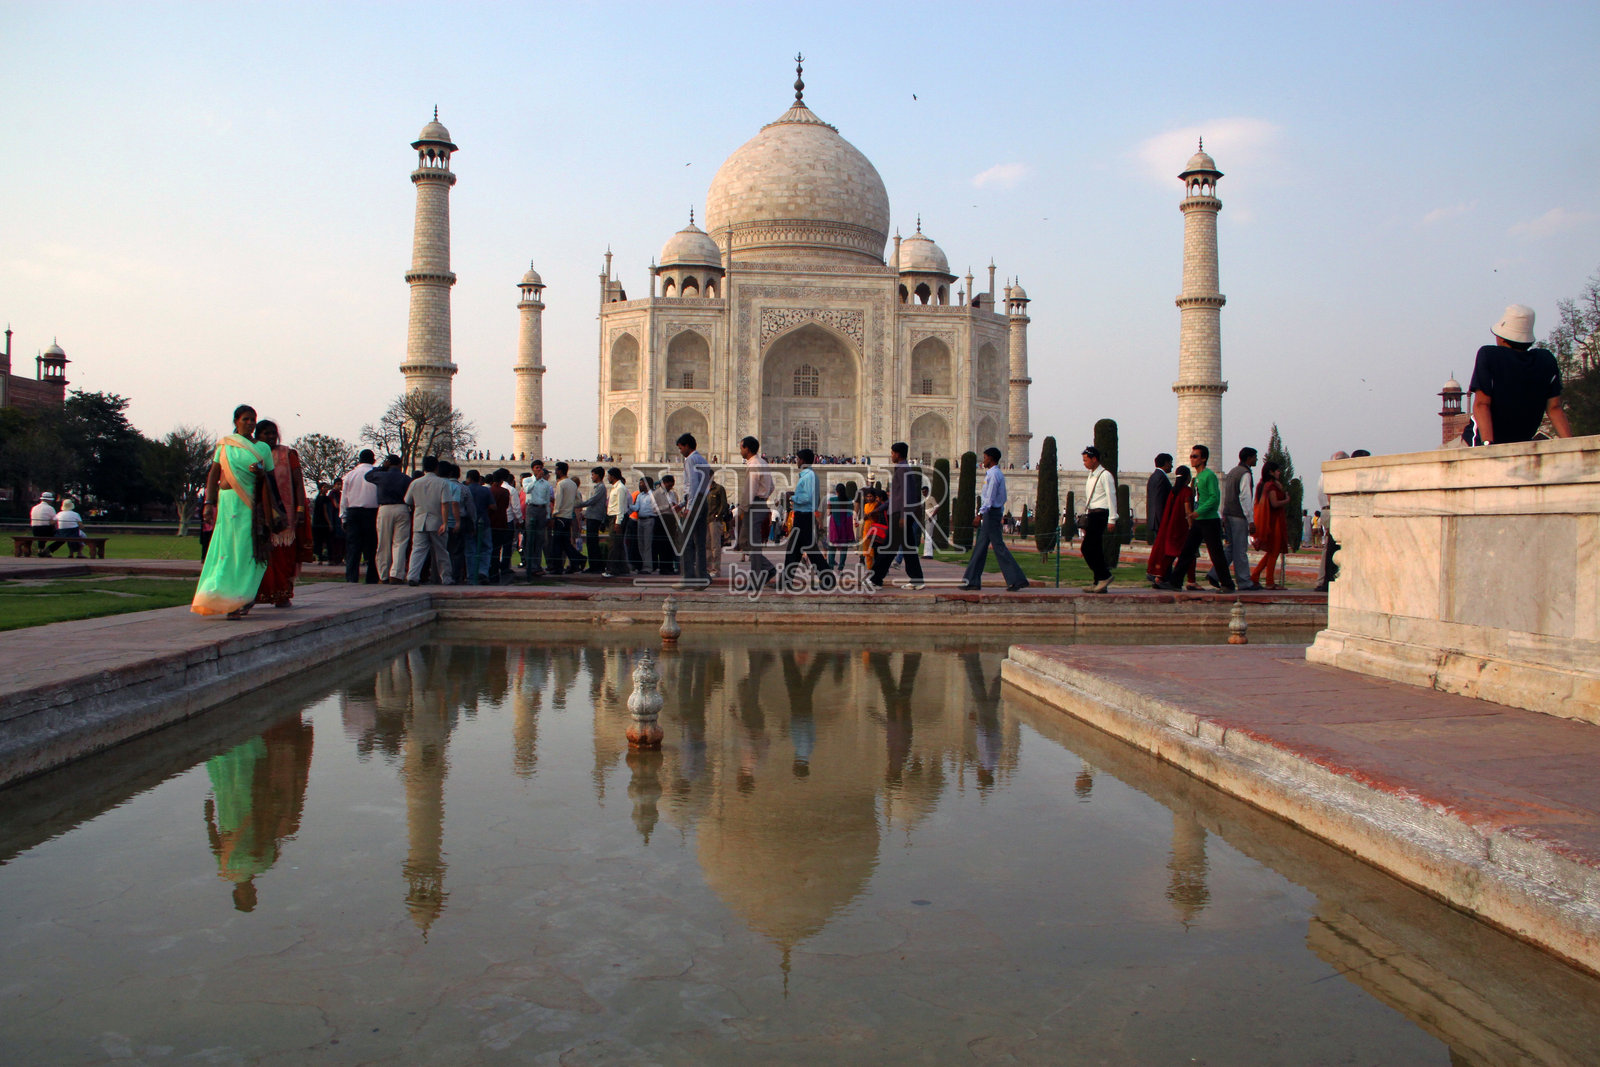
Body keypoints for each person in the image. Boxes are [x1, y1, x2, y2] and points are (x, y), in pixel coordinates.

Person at [193, 405, 280, 618]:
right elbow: (214, 474)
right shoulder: (224, 445)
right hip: (228, 503)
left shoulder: (262, 449)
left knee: (248, 552)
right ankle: (221, 597)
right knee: (226, 551)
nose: (250, 423)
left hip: (252, 506)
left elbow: (270, 480)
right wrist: (208, 503)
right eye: (246, 419)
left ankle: (242, 598)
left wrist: (260, 475)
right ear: (236, 421)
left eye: (253, 420)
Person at [1464, 303, 1572, 445]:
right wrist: (1572, 444)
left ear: (1501, 338)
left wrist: (1487, 445)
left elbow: (1482, 404)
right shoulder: (1545, 360)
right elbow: (1554, 408)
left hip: (1480, 439)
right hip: (1522, 440)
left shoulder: (1490, 356)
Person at [1156, 444, 1235, 593]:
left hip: (1209, 520)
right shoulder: (1198, 477)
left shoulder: (1209, 475)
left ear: (1203, 458)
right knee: (1187, 551)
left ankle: (1227, 584)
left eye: (1195, 456)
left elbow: (1214, 498)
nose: (1192, 459)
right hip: (1200, 520)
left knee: (1216, 553)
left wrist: (1197, 512)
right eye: (1191, 456)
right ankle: (1175, 582)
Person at [251, 420, 310, 608]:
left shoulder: (288, 454)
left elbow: (298, 483)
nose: (270, 437)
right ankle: (254, 596)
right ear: (257, 435)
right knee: (261, 556)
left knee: (285, 556)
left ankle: (283, 595)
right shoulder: (252, 453)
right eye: (265, 433)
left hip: (285, 515)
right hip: (259, 513)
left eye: (273, 433)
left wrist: (300, 509)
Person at [959, 447, 1029, 591]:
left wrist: (979, 514)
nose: (983, 460)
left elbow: (990, 498)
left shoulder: (993, 475)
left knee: (997, 547)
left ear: (990, 458)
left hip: (990, 513)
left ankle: (1017, 579)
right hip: (993, 513)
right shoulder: (995, 474)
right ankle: (972, 580)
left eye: (984, 457)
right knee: (981, 548)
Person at [869, 443, 924, 589]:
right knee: (908, 548)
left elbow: (906, 495)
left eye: (892, 453)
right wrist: (880, 508)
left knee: (889, 547)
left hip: (900, 515)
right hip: (900, 513)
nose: (891, 455)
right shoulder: (902, 469)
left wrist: (903, 516)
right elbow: (896, 496)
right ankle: (917, 580)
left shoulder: (903, 469)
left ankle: (875, 579)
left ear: (898, 454)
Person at [1210, 447, 1259, 591]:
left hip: (1228, 514)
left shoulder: (1232, 472)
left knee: (1231, 548)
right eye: (1255, 457)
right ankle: (1244, 581)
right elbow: (1245, 497)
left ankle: (1215, 573)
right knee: (1240, 550)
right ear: (1249, 458)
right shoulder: (1245, 474)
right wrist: (1250, 520)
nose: (1256, 459)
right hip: (1239, 515)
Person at [783, 448, 831, 590]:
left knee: (804, 551)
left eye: (797, 459)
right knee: (795, 551)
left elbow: (808, 498)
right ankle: (786, 581)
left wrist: (792, 497)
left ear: (802, 460)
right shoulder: (807, 476)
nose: (796, 461)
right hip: (802, 516)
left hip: (804, 517)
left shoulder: (809, 476)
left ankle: (828, 579)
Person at [403, 455, 452, 585]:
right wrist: (445, 522)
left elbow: (407, 501)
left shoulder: (415, 483)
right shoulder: (443, 483)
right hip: (437, 521)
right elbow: (445, 504)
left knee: (417, 551)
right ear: (437, 467)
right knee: (441, 552)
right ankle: (446, 578)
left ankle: (413, 576)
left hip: (419, 520)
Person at [366, 454, 412, 584]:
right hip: (402, 508)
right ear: (399, 464)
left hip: (385, 508)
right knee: (400, 543)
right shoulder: (406, 478)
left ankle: (383, 574)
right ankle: (396, 574)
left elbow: (368, 476)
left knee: (383, 543)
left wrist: (382, 467)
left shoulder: (381, 476)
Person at [1150, 465, 1197, 589]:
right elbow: (1187, 510)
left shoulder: (1173, 491)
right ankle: (1191, 581)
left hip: (1171, 527)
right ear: (1188, 477)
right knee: (1190, 554)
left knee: (1170, 554)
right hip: (1182, 528)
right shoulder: (1186, 491)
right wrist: (1191, 525)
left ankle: (1159, 577)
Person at [738, 436, 776, 587]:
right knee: (747, 542)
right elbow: (771, 486)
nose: (740, 450)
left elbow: (750, 490)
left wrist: (743, 509)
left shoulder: (753, 464)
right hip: (761, 504)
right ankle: (767, 569)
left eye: (741, 447)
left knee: (750, 543)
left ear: (747, 449)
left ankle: (756, 579)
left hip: (754, 505)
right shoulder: (763, 463)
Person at [1078, 445, 1116, 593]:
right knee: (1096, 549)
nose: (1084, 463)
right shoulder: (1091, 474)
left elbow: (1111, 496)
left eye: (1086, 460)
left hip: (1101, 515)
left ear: (1094, 459)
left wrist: (1112, 519)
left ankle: (1104, 576)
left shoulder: (1105, 475)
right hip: (1092, 514)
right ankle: (1098, 582)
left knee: (1087, 548)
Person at [339, 449, 380, 584]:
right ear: (373, 460)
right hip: (372, 512)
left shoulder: (350, 475)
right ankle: (372, 578)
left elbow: (344, 498)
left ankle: (351, 577)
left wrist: (343, 517)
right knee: (373, 547)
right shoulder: (377, 473)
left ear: (359, 460)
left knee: (353, 547)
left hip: (353, 512)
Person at [677, 432, 712, 585]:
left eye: (680, 448)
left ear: (687, 446)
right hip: (703, 502)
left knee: (686, 540)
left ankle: (688, 576)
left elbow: (692, 485)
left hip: (695, 503)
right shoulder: (702, 459)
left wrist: (689, 507)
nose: (680, 451)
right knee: (700, 542)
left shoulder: (690, 460)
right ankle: (702, 575)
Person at [1249, 460, 1290, 589]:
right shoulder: (1270, 486)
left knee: (1271, 552)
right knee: (1274, 552)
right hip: (1273, 523)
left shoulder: (1265, 485)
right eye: (1277, 470)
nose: (1279, 472)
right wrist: (1287, 500)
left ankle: (1255, 576)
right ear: (1271, 472)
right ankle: (1269, 582)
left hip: (1273, 521)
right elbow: (1274, 503)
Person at [1314, 451, 1347, 592]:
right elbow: (1330, 496)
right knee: (1332, 548)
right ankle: (1326, 580)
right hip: (1331, 510)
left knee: (1329, 548)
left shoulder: (1325, 474)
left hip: (1327, 510)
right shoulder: (1331, 474)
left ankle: (1323, 580)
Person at [547, 461, 585, 575]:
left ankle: (557, 567)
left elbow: (558, 502)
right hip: (568, 517)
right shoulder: (573, 484)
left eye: (556, 470)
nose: (555, 472)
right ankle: (578, 560)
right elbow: (578, 501)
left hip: (560, 517)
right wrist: (570, 506)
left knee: (557, 544)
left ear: (560, 471)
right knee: (565, 543)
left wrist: (554, 516)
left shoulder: (561, 484)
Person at [1145, 452, 1174, 582]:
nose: (1172, 466)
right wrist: (1164, 521)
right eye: (1171, 463)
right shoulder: (1160, 478)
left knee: (1161, 549)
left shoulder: (1154, 477)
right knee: (1164, 550)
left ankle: (1161, 574)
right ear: (1166, 463)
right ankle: (1160, 575)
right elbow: (1159, 502)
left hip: (1156, 519)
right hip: (1161, 520)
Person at [463, 469, 495, 584]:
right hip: (484, 521)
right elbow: (493, 506)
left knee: (470, 550)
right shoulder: (485, 490)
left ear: (469, 479)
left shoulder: (465, 490)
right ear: (479, 479)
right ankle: (483, 572)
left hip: (469, 523)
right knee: (486, 548)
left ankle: (471, 575)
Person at [522, 462, 552, 579]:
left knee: (540, 539)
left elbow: (547, 500)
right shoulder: (527, 480)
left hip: (542, 510)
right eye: (537, 468)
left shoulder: (546, 484)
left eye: (540, 468)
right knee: (530, 538)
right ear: (533, 469)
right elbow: (527, 491)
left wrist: (548, 516)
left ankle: (537, 566)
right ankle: (531, 565)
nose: (539, 470)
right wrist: (535, 480)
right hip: (531, 508)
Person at [604, 467, 631, 577]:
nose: (608, 478)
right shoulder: (616, 488)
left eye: (609, 476)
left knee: (614, 545)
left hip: (617, 517)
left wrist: (618, 522)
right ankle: (623, 569)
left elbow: (620, 507)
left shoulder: (620, 488)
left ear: (613, 476)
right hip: (614, 517)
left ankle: (612, 569)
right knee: (618, 545)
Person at [486, 469, 513, 582]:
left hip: (490, 523)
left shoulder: (489, 491)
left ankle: (489, 572)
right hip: (501, 522)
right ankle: (495, 573)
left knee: (489, 549)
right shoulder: (505, 492)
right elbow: (506, 506)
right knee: (498, 550)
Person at [581, 465, 608, 574]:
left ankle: (595, 566)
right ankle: (595, 565)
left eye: (593, 475)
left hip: (595, 517)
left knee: (592, 543)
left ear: (598, 475)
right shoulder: (598, 487)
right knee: (591, 542)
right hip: (592, 516)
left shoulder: (601, 487)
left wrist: (579, 504)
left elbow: (592, 500)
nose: (591, 477)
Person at [705, 474, 731, 579]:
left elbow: (724, 504)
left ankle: (716, 570)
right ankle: (708, 568)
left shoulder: (719, 489)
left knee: (715, 546)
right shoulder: (703, 490)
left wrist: (717, 515)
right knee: (707, 545)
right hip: (705, 520)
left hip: (714, 521)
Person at [826, 482, 854, 570]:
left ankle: (830, 566)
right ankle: (841, 567)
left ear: (836, 491)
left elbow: (828, 513)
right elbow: (850, 513)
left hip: (834, 525)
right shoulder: (849, 500)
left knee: (832, 548)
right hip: (844, 525)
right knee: (844, 548)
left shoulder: (832, 500)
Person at [310, 482, 339, 564]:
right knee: (328, 541)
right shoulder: (325, 499)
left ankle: (320, 558)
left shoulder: (317, 498)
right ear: (321, 488)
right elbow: (325, 511)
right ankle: (329, 559)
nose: (326, 489)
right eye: (324, 487)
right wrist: (329, 523)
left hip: (317, 523)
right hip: (323, 523)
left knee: (319, 541)